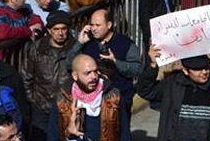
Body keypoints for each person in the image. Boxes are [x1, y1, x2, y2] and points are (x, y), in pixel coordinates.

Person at [69, 8, 142, 112]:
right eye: (92, 25)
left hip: (119, 101)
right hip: (92, 103)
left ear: (109, 25)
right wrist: (79, 43)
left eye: (98, 25)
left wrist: (116, 62)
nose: (93, 29)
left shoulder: (125, 43)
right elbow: (69, 65)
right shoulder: (87, 43)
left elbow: (137, 69)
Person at [47, 54, 131, 141]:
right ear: (75, 76)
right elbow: (53, 135)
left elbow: (124, 133)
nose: (94, 77)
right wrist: (69, 135)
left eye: (95, 71)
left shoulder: (113, 96)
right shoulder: (62, 100)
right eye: (87, 73)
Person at [21, 11, 76, 141]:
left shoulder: (75, 48)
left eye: (64, 29)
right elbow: (26, 76)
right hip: (41, 107)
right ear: (49, 31)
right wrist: (33, 100)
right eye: (56, 29)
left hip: (67, 105)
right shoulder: (36, 48)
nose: (60, 33)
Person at [138, 49, 210, 141]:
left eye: (206, 68)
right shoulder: (173, 84)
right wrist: (153, 65)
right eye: (198, 69)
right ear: (186, 71)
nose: (204, 72)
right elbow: (146, 91)